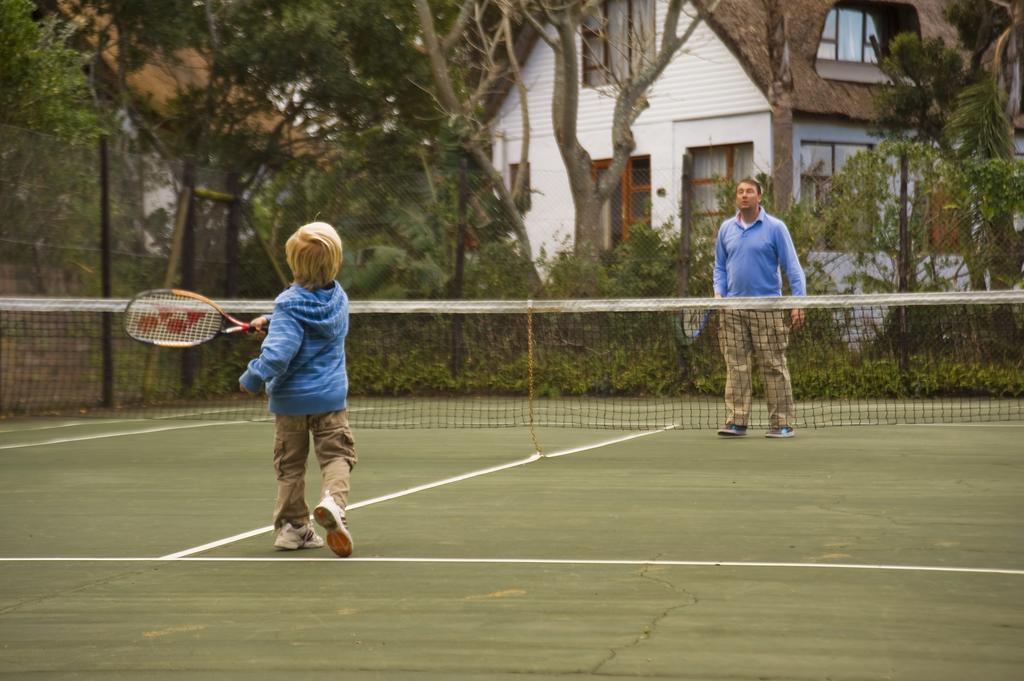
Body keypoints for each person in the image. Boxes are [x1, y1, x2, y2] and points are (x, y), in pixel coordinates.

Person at [240, 221, 356, 557]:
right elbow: (306, 320)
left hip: (290, 402)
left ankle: (293, 528)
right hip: (330, 399)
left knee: (290, 466)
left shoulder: (288, 304)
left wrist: (252, 377)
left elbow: (278, 353)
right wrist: (271, 319)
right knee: (337, 456)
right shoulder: (338, 298)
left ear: (294, 264)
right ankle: (334, 502)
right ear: (334, 263)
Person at [713, 178, 806, 438]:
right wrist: (719, 294)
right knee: (736, 366)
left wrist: (798, 302)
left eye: (750, 192)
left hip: (768, 307)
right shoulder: (726, 229)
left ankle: (782, 423)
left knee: (773, 365)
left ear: (759, 197)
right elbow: (719, 266)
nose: (744, 196)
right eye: (740, 191)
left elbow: (793, 267)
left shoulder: (776, 228)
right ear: (736, 198)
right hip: (732, 310)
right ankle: (737, 421)